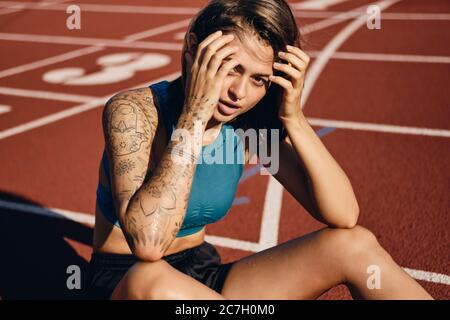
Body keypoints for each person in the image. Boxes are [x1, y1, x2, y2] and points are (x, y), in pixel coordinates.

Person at [87, 0, 433, 300]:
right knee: (152, 279)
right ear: (193, 50)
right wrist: (194, 116)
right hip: (127, 282)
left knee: (353, 245)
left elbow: (344, 216)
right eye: (230, 68)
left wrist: (293, 118)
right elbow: (147, 245)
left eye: (258, 79)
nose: (238, 91)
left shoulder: (248, 125)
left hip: (203, 276)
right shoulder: (136, 112)